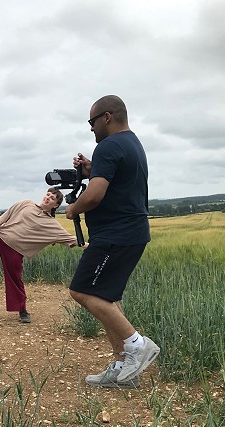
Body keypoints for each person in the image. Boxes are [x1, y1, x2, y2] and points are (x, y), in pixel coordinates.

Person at [65, 95, 160, 389]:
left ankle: (137, 345)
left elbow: (94, 196)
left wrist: (72, 209)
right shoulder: (131, 143)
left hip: (115, 235)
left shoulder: (107, 146)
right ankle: (122, 368)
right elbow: (117, 179)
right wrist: (93, 169)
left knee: (82, 291)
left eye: (91, 122)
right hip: (132, 232)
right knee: (108, 297)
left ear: (106, 117)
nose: (91, 129)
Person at [0, 187, 82, 323]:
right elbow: (8, 213)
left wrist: (92, 245)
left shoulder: (51, 224)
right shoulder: (26, 203)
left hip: (15, 250)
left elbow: (69, 238)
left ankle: (23, 311)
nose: (48, 198)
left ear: (56, 205)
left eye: (52, 198)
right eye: (48, 194)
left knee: (15, 279)